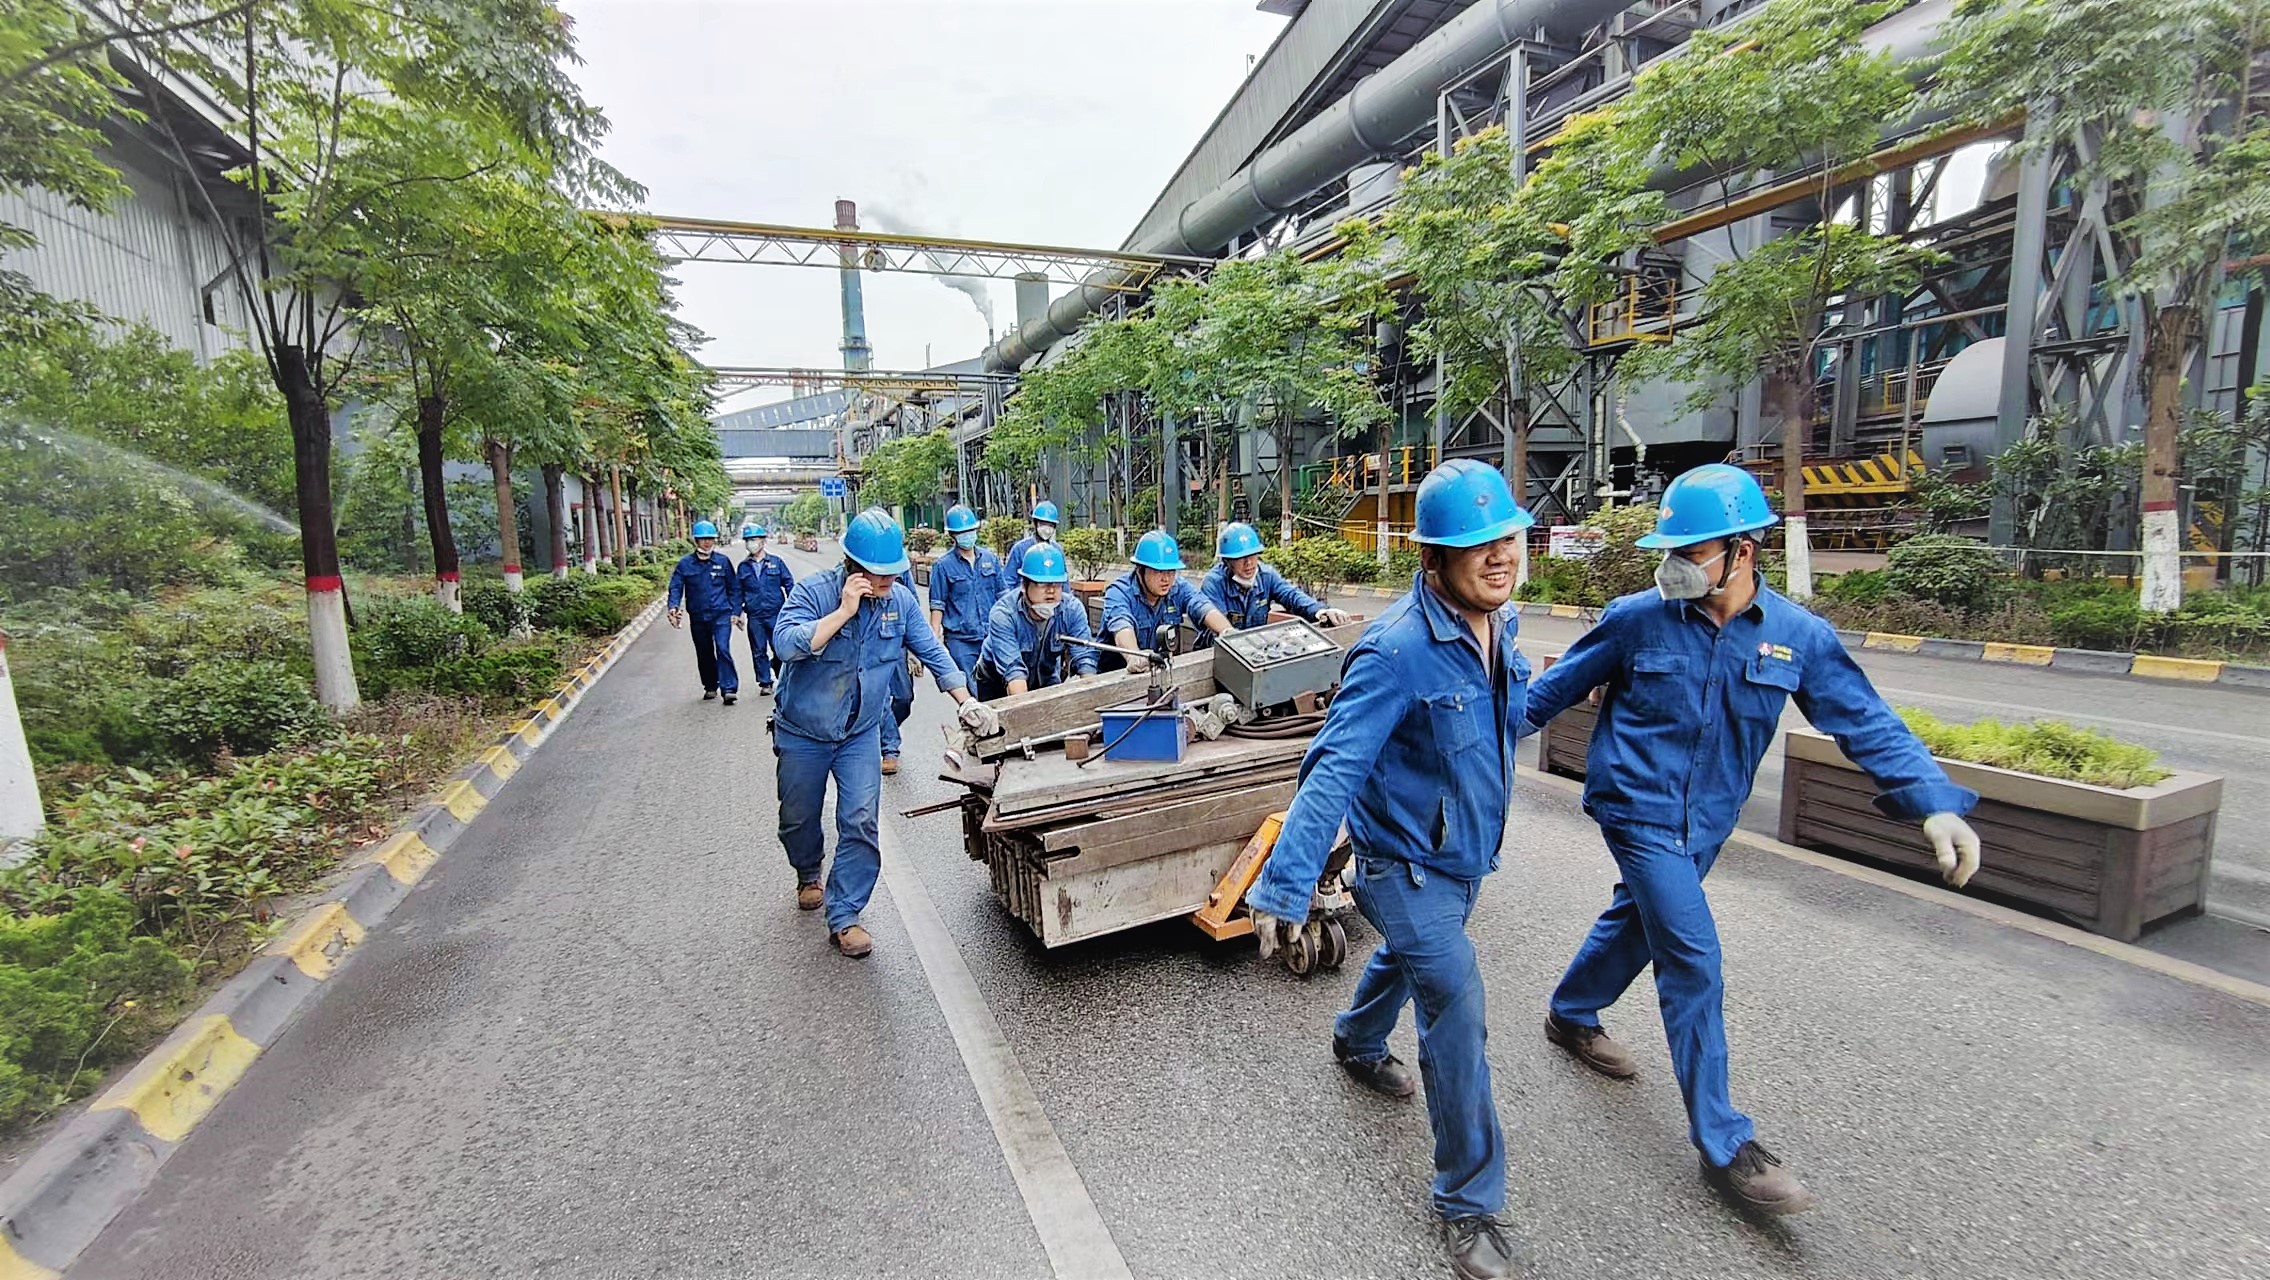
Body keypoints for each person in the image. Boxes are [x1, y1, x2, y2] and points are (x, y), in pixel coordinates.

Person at [1520, 463, 1983, 1215]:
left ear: (1744, 551)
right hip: (1636, 811)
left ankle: (1571, 1012)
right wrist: (1452, 748)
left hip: (1706, 821)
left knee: (1639, 920)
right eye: (1670, 550)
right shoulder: (1636, 618)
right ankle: (1726, 1143)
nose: (1673, 564)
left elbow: (1864, 720)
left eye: (1691, 550)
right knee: (1692, 956)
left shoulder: (1797, 637)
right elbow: (1546, 695)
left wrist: (1932, 802)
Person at [1244, 459, 1535, 1280]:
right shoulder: (1396, 652)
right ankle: (1468, 1203)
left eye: (1504, 538)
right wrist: (1286, 885)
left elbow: (1509, 719)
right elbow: (1330, 768)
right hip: (1400, 865)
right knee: (1457, 1003)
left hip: (1466, 857)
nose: (1497, 555)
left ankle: (1356, 1037)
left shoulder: (1499, 628)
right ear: (1433, 559)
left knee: (1410, 961)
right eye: (1475, 545)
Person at [771, 509, 1000, 958]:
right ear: (853, 569)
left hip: (859, 733)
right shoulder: (815, 594)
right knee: (797, 819)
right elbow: (785, 643)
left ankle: (846, 915)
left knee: (860, 818)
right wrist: (843, 611)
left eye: (893, 575)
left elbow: (932, 650)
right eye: (878, 575)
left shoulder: (900, 601)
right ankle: (807, 869)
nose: (887, 583)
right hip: (803, 731)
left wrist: (965, 700)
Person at [1197, 521, 1355, 642]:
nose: (1249, 563)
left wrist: (1320, 611)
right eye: (1240, 559)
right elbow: (1219, 630)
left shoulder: (1266, 575)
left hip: (1253, 647)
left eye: (1252, 556)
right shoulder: (1214, 583)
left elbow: (1291, 595)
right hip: (1217, 654)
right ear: (1227, 561)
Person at [973, 544, 1097, 699]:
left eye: (1057, 584)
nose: (1051, 591)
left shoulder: (1072, 610)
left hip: (1045, 675)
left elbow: (1084, 659)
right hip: (996, 681)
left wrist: (1093, 697)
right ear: (1024, 585)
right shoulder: (1004, 615)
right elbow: (1014, 674)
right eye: (1042, 584)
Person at [1098, 531, 1230, 672]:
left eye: (1171, 571)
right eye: (1158, 571)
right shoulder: (1119, 592)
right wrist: (1133, 656)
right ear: (1140, 570)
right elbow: (1121, 625)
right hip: (1116, 675)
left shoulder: (1178, 587)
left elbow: (1202, 605)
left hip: (1160, 672)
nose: (1166, 579)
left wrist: (1228, 632)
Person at [928, 503, 1011, 682]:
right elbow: (937, 605)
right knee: (973, 689)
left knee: (999, 685)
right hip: (961, 641)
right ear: (952, 535)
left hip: (991, 636)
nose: (967, 535)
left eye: (970, 530)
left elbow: (1004, 597)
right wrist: (934, 640)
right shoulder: (942, 566)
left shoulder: (990, 559)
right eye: (962, 532)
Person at [666, 520, 744, 704]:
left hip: (721, 615)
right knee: (704, 651)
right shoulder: (685, 564)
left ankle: (729, 688)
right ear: (696, 541)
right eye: (703, 539)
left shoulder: (722, 562)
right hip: (698, 617)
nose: (707, 543)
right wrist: (673, 606)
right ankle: (710, 685)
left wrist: (736, 611)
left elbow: (733, 588)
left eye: (710, 539)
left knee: (723, 648)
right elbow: (676, 587)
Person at [737, 522, 795, 696]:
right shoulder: (743, 567)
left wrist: (794, 607)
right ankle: (765, 682)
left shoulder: (776, 563)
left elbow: (789, 583)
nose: (751, 543)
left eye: (754, 539)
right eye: (748, 540)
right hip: (755, 615)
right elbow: (737, 591)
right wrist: (737, 612)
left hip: (776, 613)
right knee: (758, 650)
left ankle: (782, 677)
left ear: (763, 541)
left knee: (780, 649)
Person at [880, 565, 918, 776]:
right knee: (882, 699)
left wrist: (914, 652)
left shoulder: (901, 569)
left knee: (905, 698)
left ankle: (886, 728)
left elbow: (912, 605)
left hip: (897, 643)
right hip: (872, 648)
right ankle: (890, 749)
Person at [1005, 499, 1062, 580]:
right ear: (1035, 524)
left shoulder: (1057, 550)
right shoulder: (1020, 549)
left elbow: (1064, 582)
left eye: (1051, 525)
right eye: (1043, 524)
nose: (1047, 529)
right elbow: (1009, 580)